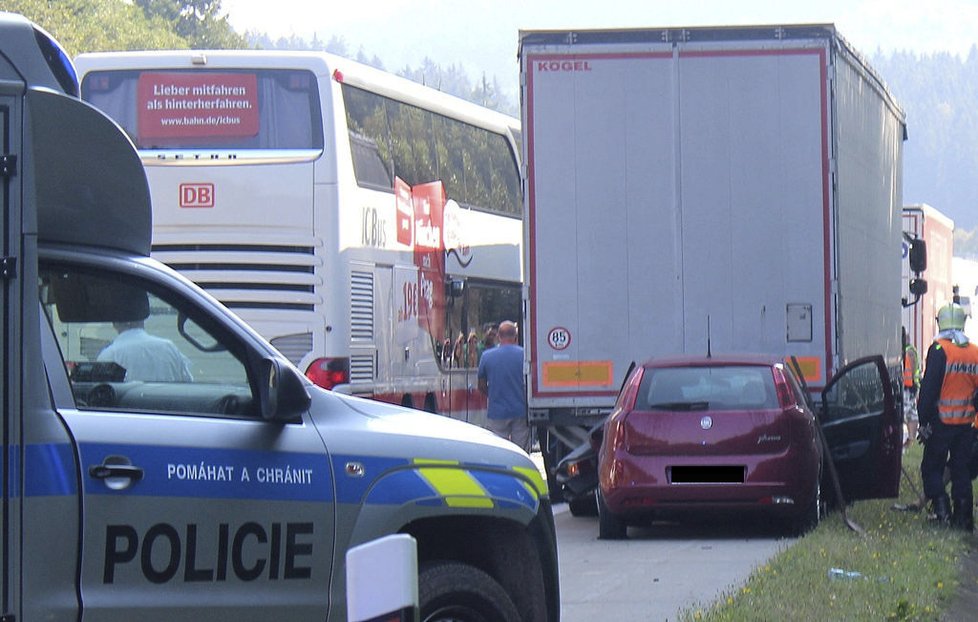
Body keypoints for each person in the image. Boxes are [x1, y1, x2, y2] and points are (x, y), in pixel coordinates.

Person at [918, 302, 978, 531]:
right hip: (965, 425)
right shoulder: (974, 352)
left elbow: (929, 390)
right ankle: (964, 519)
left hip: (941, 423)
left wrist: (924, 421)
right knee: (960, 469)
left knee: (931, 468)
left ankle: (942, 513)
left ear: (940, 322)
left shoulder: (939, 350)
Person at [477, 320, 530, 452]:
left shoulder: (486, 356)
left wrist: (494, 394)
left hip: (496, 412)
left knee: (498, 450)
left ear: (498, 337)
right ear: (516, 337)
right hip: (521, 411)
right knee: (521, 451)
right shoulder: (525, 356)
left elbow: (481, 385)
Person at [98, 320, 194, 382]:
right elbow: (188, 385)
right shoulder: (169, 347)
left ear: (115, 324)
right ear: (143, 319)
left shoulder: (108, 356)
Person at [903, 328, 921, 447]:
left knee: (909, 414)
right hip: (909, 386)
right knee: (910, 413)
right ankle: (910, 440)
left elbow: (912, 369)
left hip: (909, 387)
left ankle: (910, 440)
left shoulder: (909, 351)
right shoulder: (908, 350)